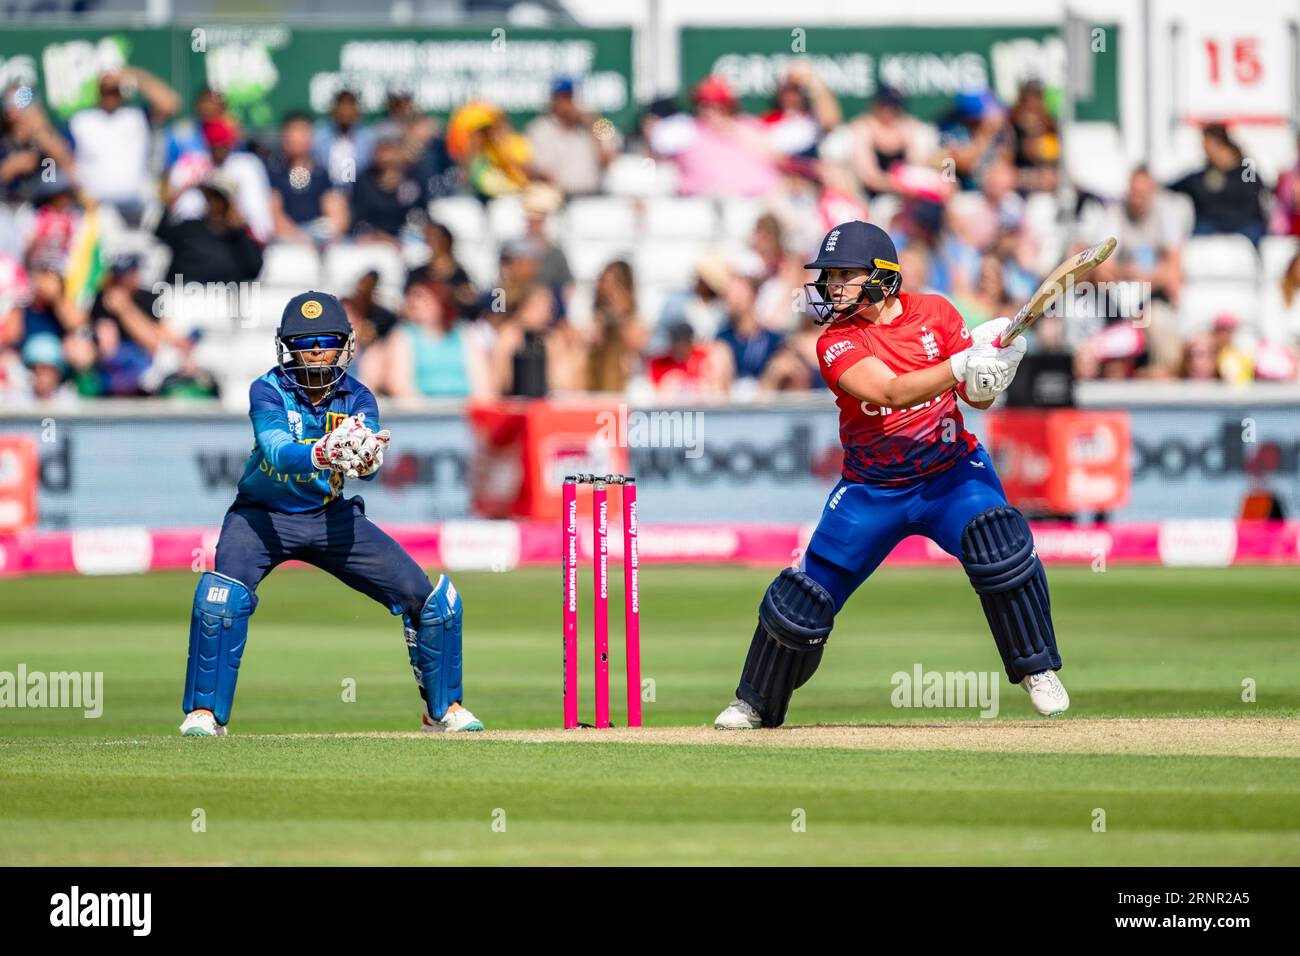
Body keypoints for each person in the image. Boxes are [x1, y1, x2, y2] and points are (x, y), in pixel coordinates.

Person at [713, 220, 1068, 730]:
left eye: (843, 275)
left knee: (1000, 542)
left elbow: (977, 396)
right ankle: (754, 701)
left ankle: (1038, 671)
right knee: (801, 602)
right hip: (872, 488)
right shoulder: (834, 341)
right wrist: (964, 363)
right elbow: (890, 392)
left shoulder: (939, 313)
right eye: (828, 275)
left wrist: (995, 369)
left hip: (949, 474)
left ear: (882, 276)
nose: (831, 286)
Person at [178, 291, 483, 737]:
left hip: (329, 517)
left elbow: (369, 465)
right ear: (288, 346)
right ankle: (204, 713)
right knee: (219, 601)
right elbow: (278, 451)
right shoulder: (268, 389)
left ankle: (442, 710)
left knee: (427, 599)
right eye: (306, 341)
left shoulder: (357, 397)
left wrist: (367, 460)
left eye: (327, 338)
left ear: (345, 343)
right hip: (260, 518)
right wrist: (322, 452)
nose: (317, 348)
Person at [1168, 124, 1266, 243]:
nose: (1204, 150)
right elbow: (1176, 185)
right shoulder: (1202, 176)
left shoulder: (1246, 172)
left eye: (1207, 144)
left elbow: (1252, 207)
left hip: (1242, 227)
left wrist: (1226, 230)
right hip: (1209, 228)